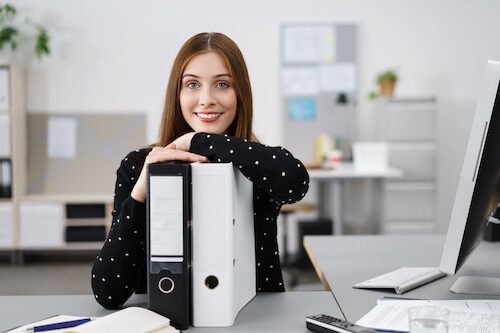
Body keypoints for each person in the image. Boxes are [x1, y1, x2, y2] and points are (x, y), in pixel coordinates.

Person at [91, 32, 310, 310]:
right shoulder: (138, 166)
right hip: (167, 318)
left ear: (240, 92)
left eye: (222, 84)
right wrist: (139, 195)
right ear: (177, 94)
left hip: (254, 317)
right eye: (192, 84)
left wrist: (196, 140)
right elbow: (108, 293)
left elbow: (294, 182)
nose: (206, 99)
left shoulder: (257, 163)